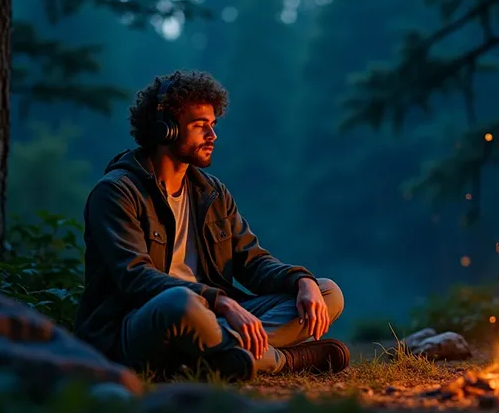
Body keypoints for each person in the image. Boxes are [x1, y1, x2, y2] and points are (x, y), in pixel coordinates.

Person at [73, 70, 349, 382]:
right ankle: (284, 360)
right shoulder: (116, 192)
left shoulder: (211, 192)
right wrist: (219, 300)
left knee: (328, 292)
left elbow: (253, 263)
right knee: (181, 302)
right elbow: (135, 279)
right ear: (166, 130)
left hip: (213, 319)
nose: (212, 135)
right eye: (199, 126)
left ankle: (213, 356)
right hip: (138, 323)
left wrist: (302, 281)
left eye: (213, 125)